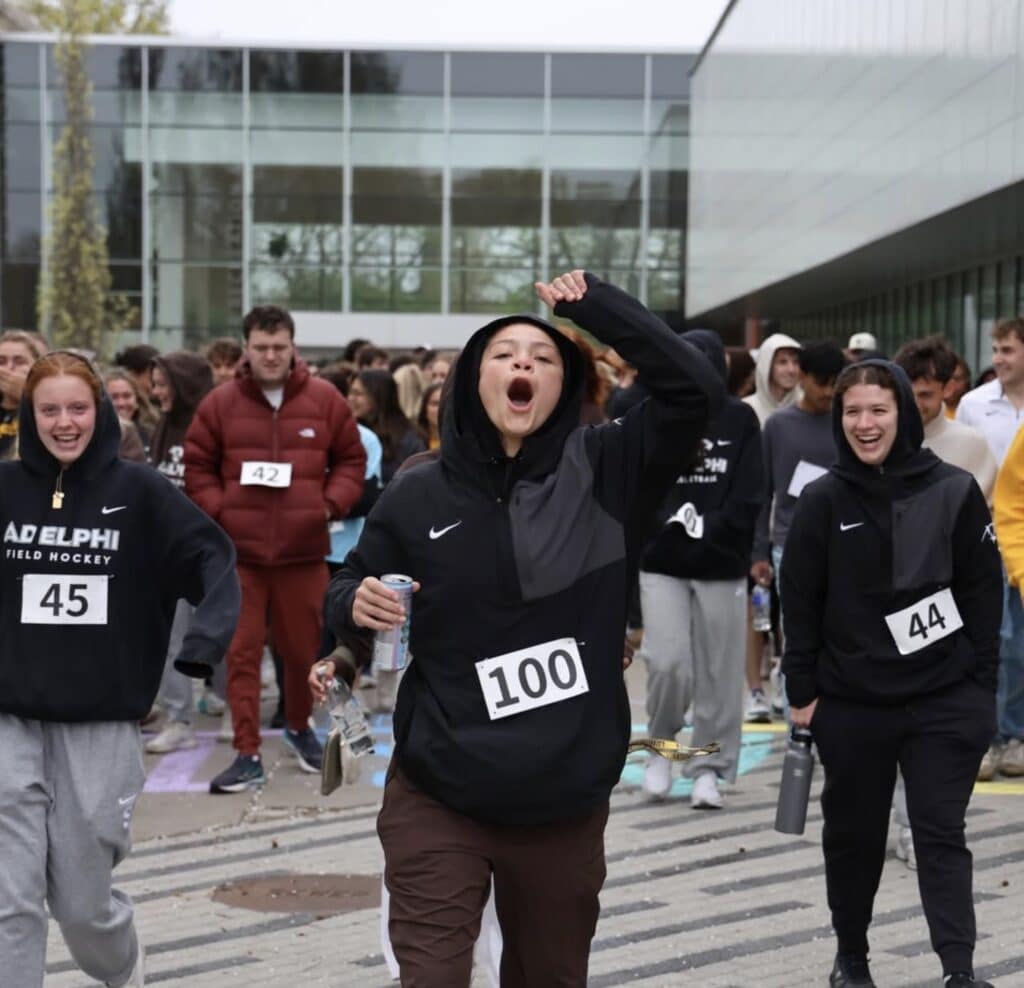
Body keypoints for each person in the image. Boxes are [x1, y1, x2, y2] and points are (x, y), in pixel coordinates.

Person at [317, 270, 722, 987]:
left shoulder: (608, 468)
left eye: (542, 356)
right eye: (504, 354)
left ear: (565, 385)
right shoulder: (418, 489)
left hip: (561, 798)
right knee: (432, 977)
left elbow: (696, 389)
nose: (522, 365)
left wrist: (596, 308)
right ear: (474, 379)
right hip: (439, 788)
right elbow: (353, 582)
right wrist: (353, 609)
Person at [0, 350, 239, 988]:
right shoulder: (5, 489)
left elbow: (214, 559)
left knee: (82, 907)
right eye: (49, 410)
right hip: (8, 720)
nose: (64, 423)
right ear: (30, 416)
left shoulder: (141, 493)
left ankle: (123, 966)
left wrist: (204, 644)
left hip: (100, 723)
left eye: (77, 408)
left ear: (100, 411)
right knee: (10, 901)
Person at [782, 360, 1001, 988]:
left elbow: (983, 595)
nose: (865, 423)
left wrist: (980, 691)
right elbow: (800, 601)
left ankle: (959, 970)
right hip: (852, 705)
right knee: (854, 838)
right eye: (852, 411)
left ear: (903, 413)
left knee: (940, 833)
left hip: (943, 699)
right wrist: (803, 692)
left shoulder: (953, 490)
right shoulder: (822, 499)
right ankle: (851, 958)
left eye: (878, 409)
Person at [185, 304, 366, 792]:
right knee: (242, 655)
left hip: (302, 554)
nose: (270, 356)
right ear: (246, 348)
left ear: (293, 348)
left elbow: (351, 459)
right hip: (240, 558)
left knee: (304, 652)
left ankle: (300, 728)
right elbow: (197, 465)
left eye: (278, 347)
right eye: (261, 347)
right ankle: (246, 751)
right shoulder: (220, 403)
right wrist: (221, 510)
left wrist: (328, 504)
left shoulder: (324, 399)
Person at [638, 329, 763, 808]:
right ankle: (661, 748)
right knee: (667, 662)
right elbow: (641, 484)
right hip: (662, 560)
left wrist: (710, 527)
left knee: (718, 672)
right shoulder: (653, 414)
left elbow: (751, 489)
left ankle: (708, 767)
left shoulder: (740, 418)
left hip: (722, 562)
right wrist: (668, 523)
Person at [747, 341, 846, 719]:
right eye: (822, 382)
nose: (829, 391)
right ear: (802, 377)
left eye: (836, 383)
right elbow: (762, 493)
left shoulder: (847, 421)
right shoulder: (778, 426)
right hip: (789, 544)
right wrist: (758, 551)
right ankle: (797, 720)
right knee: (796, 636)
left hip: (843, 542)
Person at [955, 317, 1024, 779]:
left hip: (1021, 538)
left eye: (1008, 350)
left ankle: (1015, 735)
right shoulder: (973, 405)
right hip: (986, 539)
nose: (998, 359)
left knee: (1020, 645)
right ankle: (990, 736)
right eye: (995, 350)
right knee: (994, 639)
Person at [144, 351, 221, 755]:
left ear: (184, 384)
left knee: (221, 631)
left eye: (163, 384)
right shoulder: (164, 424)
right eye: (154, 384)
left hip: (209, 548)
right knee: (170, 637)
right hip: (167, 551)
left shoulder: (212, 422)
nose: (156, 392)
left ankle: (227, 700)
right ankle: (179, 719)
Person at [893, 338, 997, 503]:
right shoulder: (879, 439)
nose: (915, 404)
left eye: (925, 395)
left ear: (948, 389)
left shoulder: (971, 443)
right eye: (907, 394)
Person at [346, 369, 426, 484]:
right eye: (350, 392)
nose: (351, 398)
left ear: (378, 396)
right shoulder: (350, 431)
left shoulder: (408, 437)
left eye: (358, 394)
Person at [0, 330, 44, 460]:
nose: (9, 367)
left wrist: (27, 395)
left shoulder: (46, 408)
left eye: (19, 361)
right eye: (2, 361)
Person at [743, 332, 801, 427]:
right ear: (766, 366)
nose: (791, 370)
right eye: (782, 362)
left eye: (796, 362)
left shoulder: (809, 407)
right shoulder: (747, 409)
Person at [104, 369, 156, 452]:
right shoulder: (94, 439)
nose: (121, 403)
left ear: (137, 401)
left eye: (127, 396)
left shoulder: (153, 436)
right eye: (114, 397)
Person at [416, 381, 443, 451]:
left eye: (444, 403)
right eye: (435, 404)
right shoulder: (413, 442)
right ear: (424, 409)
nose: (440, 408)